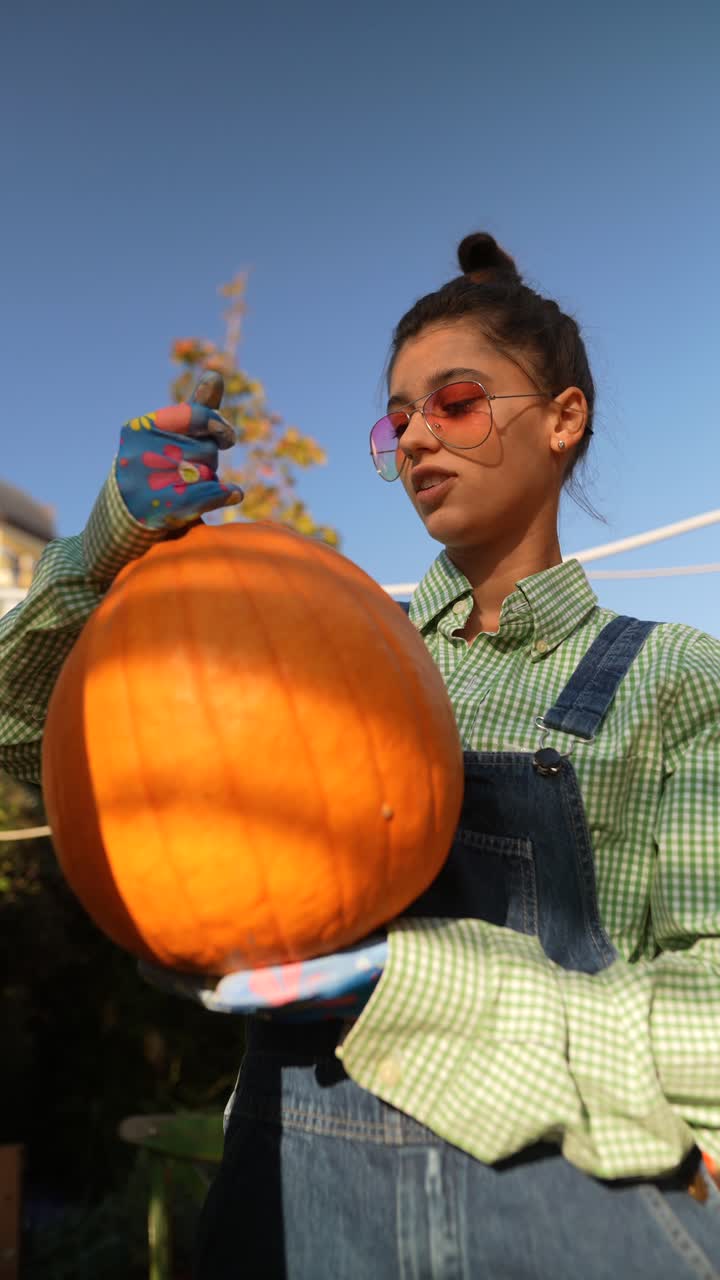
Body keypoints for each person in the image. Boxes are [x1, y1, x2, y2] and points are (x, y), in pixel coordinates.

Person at [2, 232, 720, 1279]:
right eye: (398, 416)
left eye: (458, 402)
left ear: (564, 416)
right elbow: (25, 736)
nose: (418, 437)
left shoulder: (679, 678)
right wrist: (106, 547)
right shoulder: (305, 633)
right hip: (293, 1198)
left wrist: (420, 979)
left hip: (574, 1214)